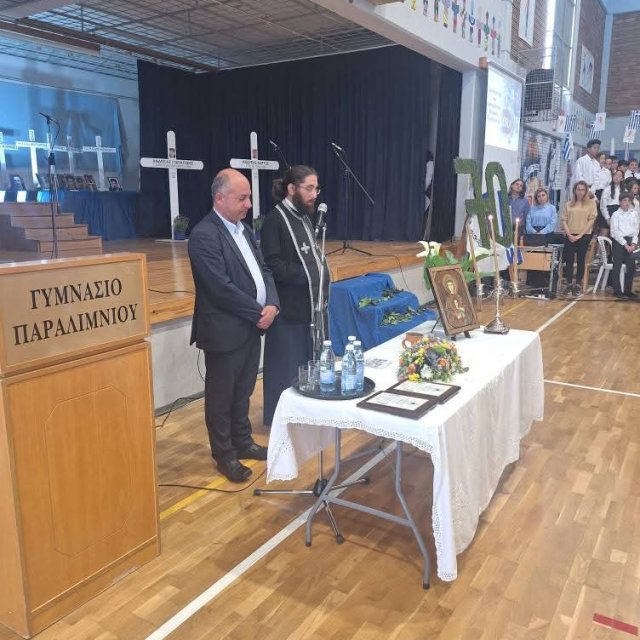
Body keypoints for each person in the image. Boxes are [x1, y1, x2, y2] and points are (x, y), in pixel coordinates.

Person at [188, 168, 279, 483]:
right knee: (221, 396)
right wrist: (258, 312)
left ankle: (243, 442)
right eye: (242, 198)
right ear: (220, 198)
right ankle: (224, 454)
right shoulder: (204, 235)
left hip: (251, 326)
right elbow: (219, 287)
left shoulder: (244, 231)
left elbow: (265, 270)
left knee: (243, 390)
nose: (249, 204)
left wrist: (273, 304)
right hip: (224, 330)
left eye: (249, 197)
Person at [260, 165, 330, 426]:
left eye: (316, 188)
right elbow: (272, 264)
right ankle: (282, 421)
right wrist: (308, 274)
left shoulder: (304, 218)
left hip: (308, 307)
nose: (314, 195)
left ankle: (306, 414)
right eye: (309, 188)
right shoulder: (275, 220)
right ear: (291, 188)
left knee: (306, 365)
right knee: (286, 369)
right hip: (288, 310)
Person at [561, 180, 597, 298]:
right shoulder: (568, 204)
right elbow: (564, 220)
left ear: (586, 191)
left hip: (584, 235)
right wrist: (569, 235)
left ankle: (577, 284)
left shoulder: (591, 204)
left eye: (583, 189)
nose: (580, 192)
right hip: (570, 235)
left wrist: (581, 235)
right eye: (578, 189)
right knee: (569, 260)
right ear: (574, 191)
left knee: (581, 260)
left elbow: (591, 221)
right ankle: (569, 284)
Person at [609, 192, 639, 298]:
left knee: (631, 266)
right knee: (617, 266)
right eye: (624, 200)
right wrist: (625, 244)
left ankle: (627, 290)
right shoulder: (615, 215)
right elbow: (615, 232)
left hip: (631, 241)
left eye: (629, 201)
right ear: (620, 202)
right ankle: (617, 291)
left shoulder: (634, 213)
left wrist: (634, 244)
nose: (627, 203)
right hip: (619, 241)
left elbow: (636, 230)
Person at [599, 169, 624, 237]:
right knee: (603, 236)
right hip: (608, 212)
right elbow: (603, 206)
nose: (617, 177)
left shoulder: (624, 190)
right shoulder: (607, 189)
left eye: (619, 176)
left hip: (619, 213)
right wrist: (607, 218)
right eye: (615, 175)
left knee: (616, 237)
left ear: (622, 179)